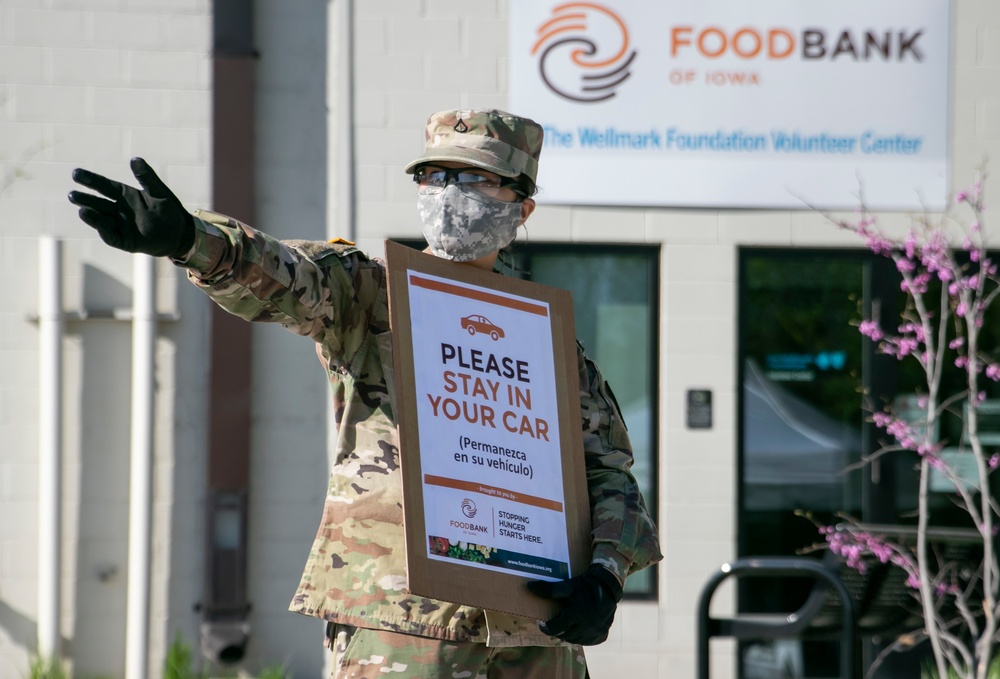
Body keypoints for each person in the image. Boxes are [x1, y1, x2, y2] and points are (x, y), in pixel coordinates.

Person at [68, 109, 662, 678]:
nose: (449, 193)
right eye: (435, 176)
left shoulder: (543, 334)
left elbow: (606, 471)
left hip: (537, 629)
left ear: (523, 205)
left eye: (475, 179)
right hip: (402, 623)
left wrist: (604, 577)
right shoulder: (370, 293)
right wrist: (193, 240)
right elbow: (288, 277)